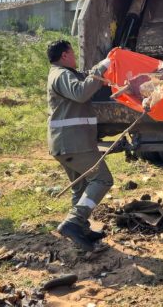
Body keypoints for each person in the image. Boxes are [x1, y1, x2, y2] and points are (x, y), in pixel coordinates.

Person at [46, 40, 113, 252]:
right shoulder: (62, 74)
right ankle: (73, 223)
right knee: (102, 179)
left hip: (68, 143)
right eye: (72, 53)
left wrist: (97, 75)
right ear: (65, 55)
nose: (75, 57)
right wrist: (102, 66)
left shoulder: (64, 74)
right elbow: (81, 92)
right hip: (73, 143)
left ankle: (81, 228)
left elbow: (84, 84)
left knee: (80, 187)